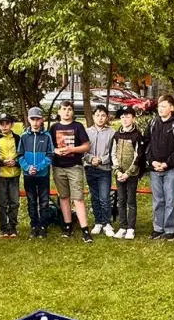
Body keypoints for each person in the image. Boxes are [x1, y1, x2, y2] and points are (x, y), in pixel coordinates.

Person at [48, 102, 94, 242]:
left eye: (69, 109)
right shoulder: (54, 127)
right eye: (64, 109)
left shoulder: (78, 126)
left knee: (78, 198)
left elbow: (86, 146)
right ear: (59, 111)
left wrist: (71, 150)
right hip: (58, 167)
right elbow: (49, 146)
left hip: (74, 167)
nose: (67, 112)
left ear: (73, 112)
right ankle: (67, 226)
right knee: (64, 197)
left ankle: (85, 229)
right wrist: (56, 151)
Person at [146, 94, 174, 240]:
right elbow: (146, 144)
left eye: (164, 106)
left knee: (170, 199)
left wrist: (167, 163)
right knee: (158, 199)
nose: (161, 109)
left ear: (171, 107)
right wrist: (152, 162)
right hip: (154, 168)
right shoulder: (153, 124)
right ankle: (158, 228)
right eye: (159, 106)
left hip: (172, 168)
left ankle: (170, 229)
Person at [17, 107, 55, 238]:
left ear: (42, 120)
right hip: (29, 175)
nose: (35, 122)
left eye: (38, 119)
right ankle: (34, 225)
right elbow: (20, 155)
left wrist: (38, 167)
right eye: (32, 119)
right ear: (28, 119)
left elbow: (50, 155)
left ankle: (43, 226)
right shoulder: (23, 137)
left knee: (44, 201)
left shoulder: (47, 136)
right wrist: (28, 167)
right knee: (31, 201)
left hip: (43, 175)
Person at [111, 107, 146, 239]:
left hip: (131, 174)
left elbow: (139, 156)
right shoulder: (117, 134)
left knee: (131, 200)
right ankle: (122, 226)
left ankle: (131, 228)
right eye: (123, 117)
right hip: (119, 174)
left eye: (128, 116)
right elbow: (112, 153)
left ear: (133, 118)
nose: (125, 119)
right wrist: (118, 171)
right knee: (121, 200)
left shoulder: (137, 135)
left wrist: (128, 172)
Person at [86, 106, 117, 237]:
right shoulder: (87, 132)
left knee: (104, 197)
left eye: (103, 115)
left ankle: (107, 223)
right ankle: (98, 222)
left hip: (104, 169)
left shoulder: (112, 132)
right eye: (97, 115)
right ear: (93, 116)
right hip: (90, 168)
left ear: (107, 117)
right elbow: (83, 150)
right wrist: (90, 158)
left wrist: (102, 160)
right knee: (95, 197)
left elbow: (113, 152)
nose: (100, 118)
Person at [0, 114, 22, 238]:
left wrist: (16, 162)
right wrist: (2, 162)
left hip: (14, 174)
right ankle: (3, 228)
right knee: (2, 202)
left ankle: (13, 227)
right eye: (1, 124)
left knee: (14, 202)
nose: (4, 126)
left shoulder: (17, 138)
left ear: (12, 124)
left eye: (7, 123)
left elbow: (22, 154)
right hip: (0, 175)